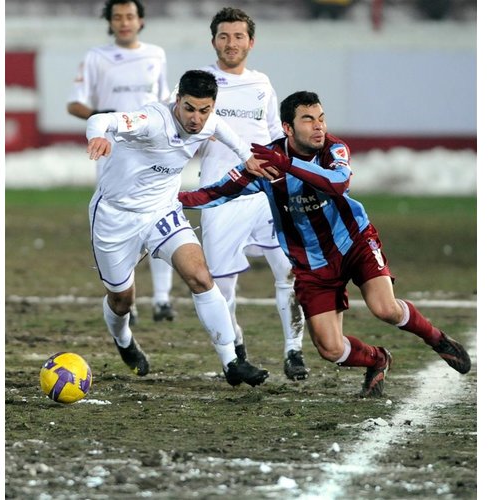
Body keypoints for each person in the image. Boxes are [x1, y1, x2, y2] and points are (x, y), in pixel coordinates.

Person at [178, 90, 471, 397]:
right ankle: (378, 359)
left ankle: (436, 338)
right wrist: (169, 200)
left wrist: (288, 165)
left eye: (321, 118)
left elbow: (338, 183)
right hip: (311, 262)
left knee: (385, 309)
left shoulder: (334, 149)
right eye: (308, 119)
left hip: (353, 241)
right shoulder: (266, 161)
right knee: (330, 349)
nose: (318, 126)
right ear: (288, 128)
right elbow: (214, 194)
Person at [85, 69, 269, 387]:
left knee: (199, 276)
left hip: (162, 212)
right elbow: (103, 121)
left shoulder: (207, 121)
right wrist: (97, 137)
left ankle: (232, 362)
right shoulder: (151, 120)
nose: (196, 119)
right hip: (116, 217)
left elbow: (223, 130)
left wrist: (247, 158)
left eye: (204, 110)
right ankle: (124, 339)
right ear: (177, 99)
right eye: (189, 108)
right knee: (121, 300)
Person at [194, 7, 308, 381]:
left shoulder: (262, 84)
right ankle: (234, 350)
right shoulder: (200, 84)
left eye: (239, 36)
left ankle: (294, 351)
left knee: (289, 271)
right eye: (224, 36)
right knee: (221, 288)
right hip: (220, 198)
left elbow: (278, 135)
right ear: (213, 41)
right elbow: (181, 136)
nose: (232, 43)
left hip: (267, 196)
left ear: (251, 42)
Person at [67, 0, 176, 325]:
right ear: (110, 22)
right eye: (118, 17)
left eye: (130, 16)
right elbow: (74, 104)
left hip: (153, 150)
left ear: (140, 20)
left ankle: (162, 299)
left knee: (160, 215)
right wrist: (101, 118)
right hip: (112, 153)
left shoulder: (156, 55)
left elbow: (166, 99)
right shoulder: (95, 58)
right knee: (124, 226)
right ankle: (130, 296)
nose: (124, 22)